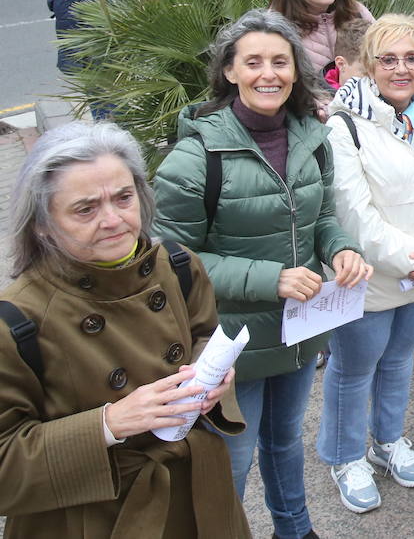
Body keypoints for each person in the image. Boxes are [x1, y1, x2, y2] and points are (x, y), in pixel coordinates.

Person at [153, 10, 371, 539]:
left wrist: (341, 249)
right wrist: (270, 277)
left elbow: (320, 218)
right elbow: (171, 260)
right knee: (235, 457)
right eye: (253, 62)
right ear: (229, 71)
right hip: (230, 341)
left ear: (297, 70)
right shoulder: (194, 156)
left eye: (280, 61)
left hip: (296, 328)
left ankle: (294, 529)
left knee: (285, 440)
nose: (268, 73)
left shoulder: (310, 138)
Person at [0, 122, 251, 538]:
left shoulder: (179, 265)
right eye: (85, 209)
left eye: (123, 197)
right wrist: (109, 422)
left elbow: (202, 333)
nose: (113, 219)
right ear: (42, 225)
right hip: (92, 518)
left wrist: (215, 377)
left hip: (199, 496)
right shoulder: (17, 320)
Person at [319, 15, 414, 512]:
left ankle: (387, 442)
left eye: (412, 58)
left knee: (400, 358)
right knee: (353, 367)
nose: (401, 69)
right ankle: (345, 456)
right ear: (368, 65)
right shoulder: (344, 125)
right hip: (368, 278)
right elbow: (353, 214)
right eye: (388, 59)